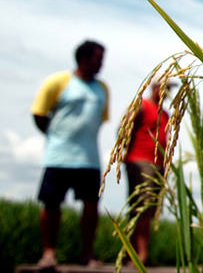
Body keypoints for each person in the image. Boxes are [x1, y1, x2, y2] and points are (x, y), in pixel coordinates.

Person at [31, 40, 109, 269]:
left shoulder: (102, 89)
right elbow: (39, 113)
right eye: (98, 58)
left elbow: (100, 120)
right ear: (83, 58)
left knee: (91, 205)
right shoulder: (58, 82)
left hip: (89, 157)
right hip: (59, 155)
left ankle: (87, 254)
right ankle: (49, 252)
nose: (102, 63)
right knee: (51, 203)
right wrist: (56, 137)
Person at [124, 75, 172, 264]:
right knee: (141, 208)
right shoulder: (141, 106)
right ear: (155, 88)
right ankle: (139, 256)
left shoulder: (165, 113)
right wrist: (125, 155)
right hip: (140, 160)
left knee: (149, 209)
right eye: (165, 88)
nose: (167, 92)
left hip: (158, 164)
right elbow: (124, 129)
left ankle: (135, 254)